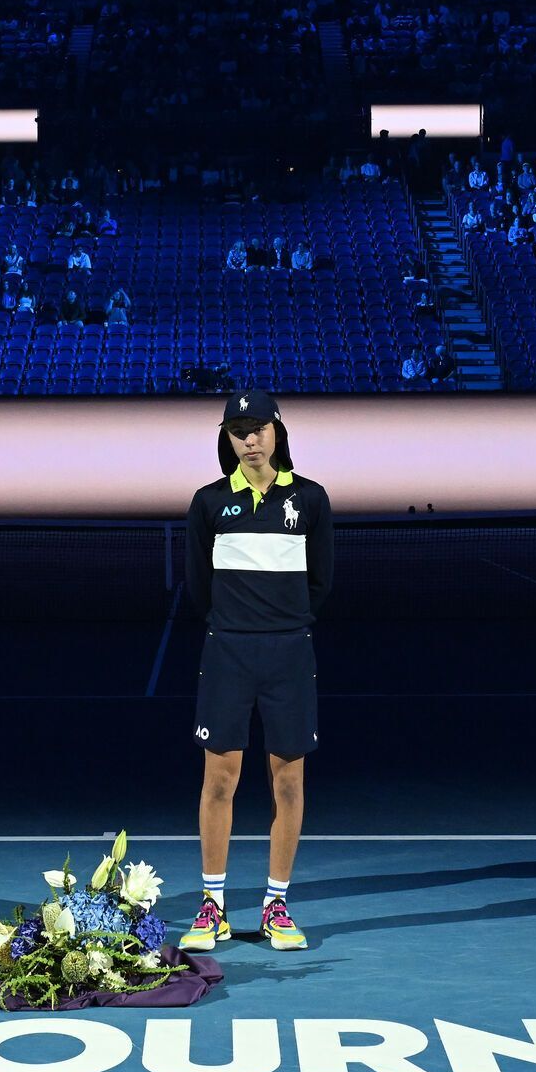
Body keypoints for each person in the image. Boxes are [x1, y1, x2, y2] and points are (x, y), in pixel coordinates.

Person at [179, 390, 333, 955]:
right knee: (219, 778)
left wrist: (284, 625)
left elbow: (322, 582)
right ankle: (213, 905)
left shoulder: (310, 500)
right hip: (228, 654)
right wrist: (238, 626)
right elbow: (199, 587)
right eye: (237, 430)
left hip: (290, 654)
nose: (249, 439)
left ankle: (276, 905)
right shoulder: (208, 503)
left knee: (287, 780)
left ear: (276, 431)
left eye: (258, 428)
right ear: (226, 438)